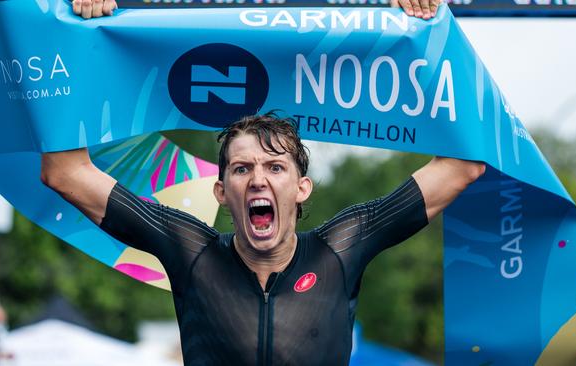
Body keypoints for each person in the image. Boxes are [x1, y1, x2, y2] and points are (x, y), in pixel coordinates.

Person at [42, 1, 481, 365]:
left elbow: (463, 166)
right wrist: (82, 37)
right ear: (221, 192)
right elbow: (65, 172)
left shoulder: (342, 248)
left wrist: (425, 34)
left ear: (302, 188)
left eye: (275, 168)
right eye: (241, 168)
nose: (257, 179)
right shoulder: (190, 250)